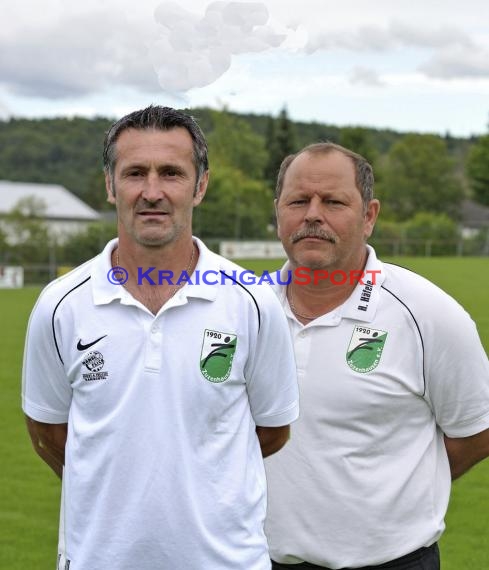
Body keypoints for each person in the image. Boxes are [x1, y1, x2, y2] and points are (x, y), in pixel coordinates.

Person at [22, 105, 299, 570]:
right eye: (135, 173)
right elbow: (50, 434)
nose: (152, 192)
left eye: (171, 173)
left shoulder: (251, 301)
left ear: (200, 185)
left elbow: (271, 431)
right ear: (110, 186)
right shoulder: (60, 305)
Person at [264, 142, 489, 570]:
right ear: (279, 212)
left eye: (333, 201)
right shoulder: (247, 310)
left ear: (369, 216)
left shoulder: (429, 314)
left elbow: (478, 430)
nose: (313, 214)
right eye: (298, 201)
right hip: (262, 560)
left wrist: (398, 494)